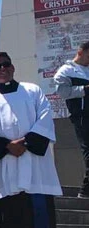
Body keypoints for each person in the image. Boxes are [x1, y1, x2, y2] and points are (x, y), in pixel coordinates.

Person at [0, 52, 62, 227]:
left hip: (36, 168)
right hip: (4, 169)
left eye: (6, 64)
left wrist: (25, 142)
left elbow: (45, 118)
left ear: (13, 67)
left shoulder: (33, 90)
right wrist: (6, 146)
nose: (2, 69)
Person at [54, 40, 89, 197]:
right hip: (82, 116)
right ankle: (85, 190)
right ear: (80, 52)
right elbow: (62, 92)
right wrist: (84, 90)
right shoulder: (66, 71)